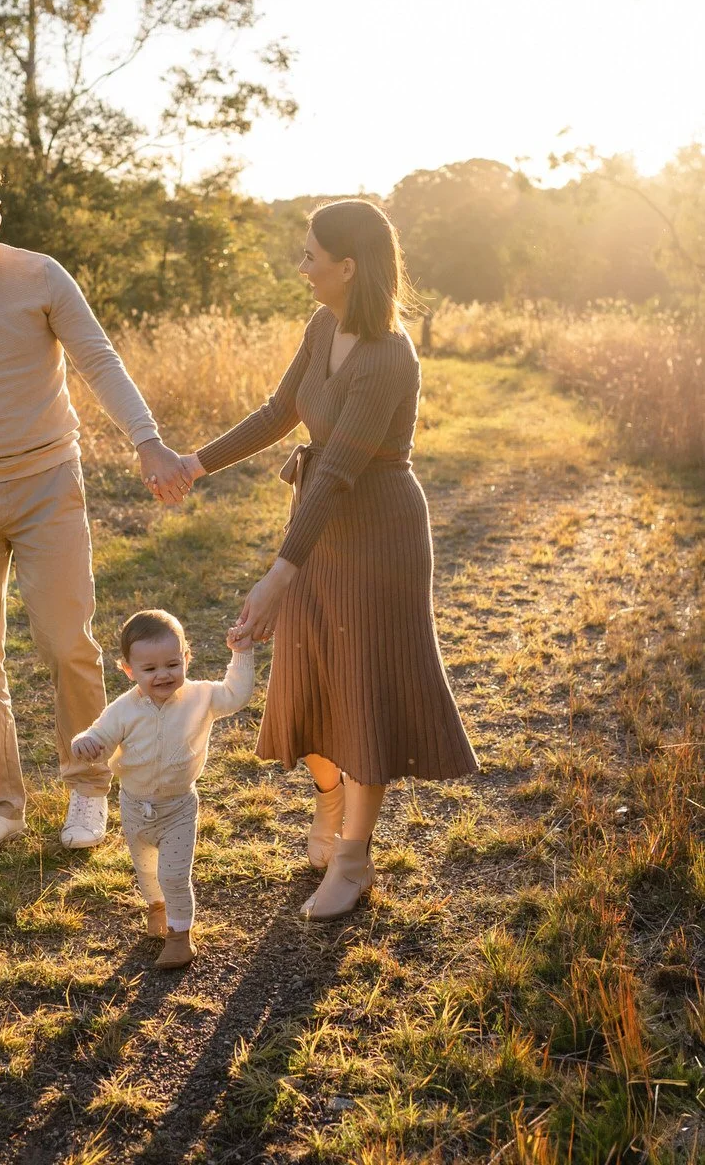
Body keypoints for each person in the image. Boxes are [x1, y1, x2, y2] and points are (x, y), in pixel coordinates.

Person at [0, 143, 191, 861]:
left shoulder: (40, 276)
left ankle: (87, 789)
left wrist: (147, 440)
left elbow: (99, 361)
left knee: (65, 643)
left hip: (47, 483)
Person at [178, 199, 479, 920]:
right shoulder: (321, 325)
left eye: (310, 254)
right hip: (317, 523)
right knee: (309, 672)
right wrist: (194, 464)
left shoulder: (388, 355)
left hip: (377, 531)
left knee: (362, 685)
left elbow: (342, 469)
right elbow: (278, 412)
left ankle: (353, 859)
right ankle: (328, 802)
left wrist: (279, 572)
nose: (301, 265)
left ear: (348, 266)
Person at [71, 609, 254, 967]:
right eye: (149, 669)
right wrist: (85, 742)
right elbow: (99, 735)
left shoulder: (200, 697)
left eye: (172, 664)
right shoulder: (123, 709)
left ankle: (180, 936)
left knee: (173, 874)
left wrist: (241, 652)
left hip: (178, 807)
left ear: (186, 658)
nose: (163, 675)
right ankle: (157, 909)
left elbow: (237, 694)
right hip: (134, 806)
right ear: (129, 670)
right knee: (147, 873)